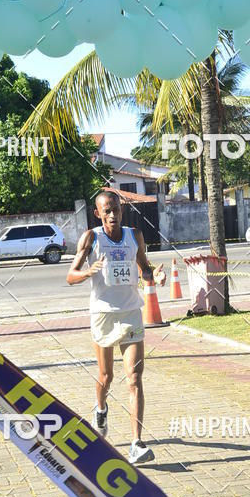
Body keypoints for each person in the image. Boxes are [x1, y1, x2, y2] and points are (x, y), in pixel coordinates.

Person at [67, 190, 166, 465]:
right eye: (107, 210)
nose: (113, 215)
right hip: (102, 314)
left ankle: (136, 443)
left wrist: (155, 274)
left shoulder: (134, 235)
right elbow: (70, 275)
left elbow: (145, 268)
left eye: (117, 210)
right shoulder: (91, 237)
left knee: (134, 379)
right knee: (106, 376)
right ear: (98, 213)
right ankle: (100, 408)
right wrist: (87, 272)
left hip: (132, 312)